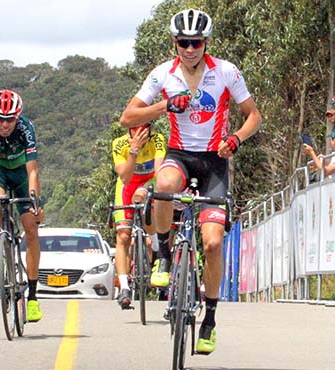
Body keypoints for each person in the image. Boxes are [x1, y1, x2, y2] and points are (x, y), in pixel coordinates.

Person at [120, 8, 261, 354]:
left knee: (212, 244)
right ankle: (164, 254)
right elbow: (128, 116)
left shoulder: (226, 72)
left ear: (206, 42)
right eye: (183, 42)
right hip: (179, 155)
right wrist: (165, 106)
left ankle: (209, 319)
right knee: (164, 186)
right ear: (175, 43)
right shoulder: (162, 74)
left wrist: (237, 139)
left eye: (196, 42)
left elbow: (253, 115)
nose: (190, 48)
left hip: (215, 162)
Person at [0, 89, 44, 322]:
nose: (5, 124)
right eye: (0, 119)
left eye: (10, 120)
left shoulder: (26, 129)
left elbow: (33, 169)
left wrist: (35, 198)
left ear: (17, 117)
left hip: (21, 175)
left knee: (31, 229)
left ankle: (33, 297)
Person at [112, 123, 166, 309]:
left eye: (145, 128)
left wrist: (145, 189)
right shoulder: (119, 144)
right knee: (123, 236)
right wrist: (133, 151)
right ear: (129, 130)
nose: (141, 133)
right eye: (136, 129)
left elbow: (159, 173)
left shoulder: (157, 140)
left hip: (149, 183)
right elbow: (124, 178)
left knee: (149, 213)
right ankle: (125, 288)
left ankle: (157, 250)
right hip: (127, 187)